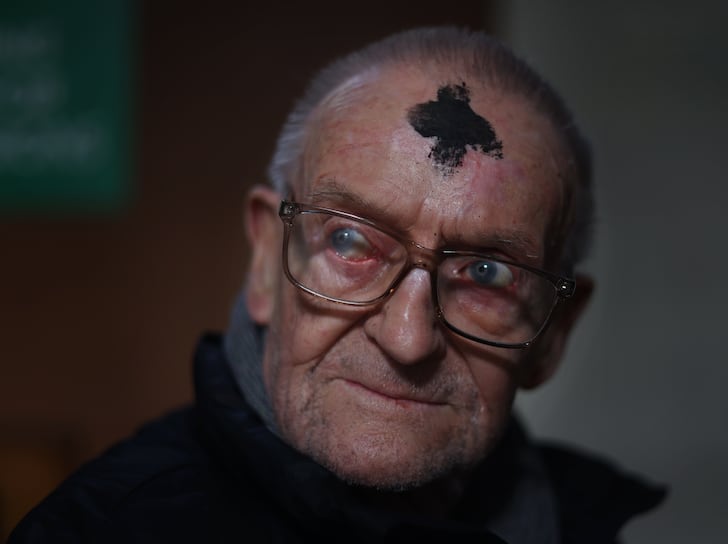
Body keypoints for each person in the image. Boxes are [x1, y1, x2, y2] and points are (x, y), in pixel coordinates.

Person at [10, 27, 665, 543]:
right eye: (351, 241)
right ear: (266, 258)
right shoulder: (104, 532)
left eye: (486, 273)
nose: (408, 339)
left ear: (553, 337)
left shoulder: (580, 524)